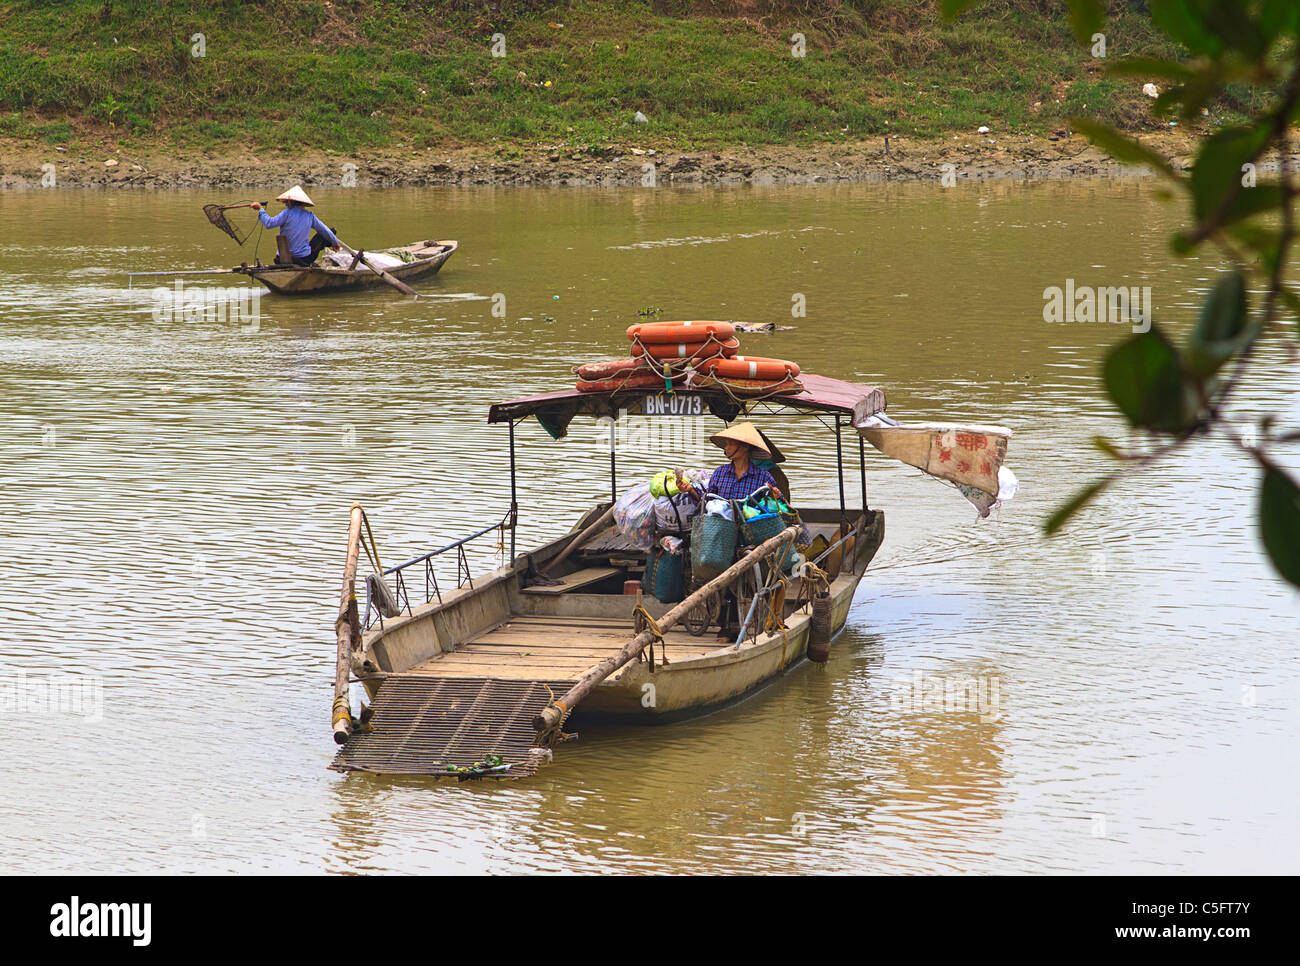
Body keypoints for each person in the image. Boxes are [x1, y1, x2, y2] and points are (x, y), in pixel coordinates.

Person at [682, 421, 784, 502]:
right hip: (723, 525)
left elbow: (781, 503)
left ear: (745, 447)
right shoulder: (720, 473)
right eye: (726, 444)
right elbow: (707, 500)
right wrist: (691, 489)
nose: (726, 447)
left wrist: (776, 496)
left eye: (731, 444)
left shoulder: (763, 476)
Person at [252, 185, 341, 266]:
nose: (286, 204)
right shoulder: (310, 216)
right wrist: (334, 242)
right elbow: (324, 230)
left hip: (282, 257)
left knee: (329, 233)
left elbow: (269, 223)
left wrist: (261, 210)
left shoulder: (286, 214)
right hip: (304, 258)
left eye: (286, 202)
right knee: (331, 232)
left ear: (290, 203)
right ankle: (333, 243)